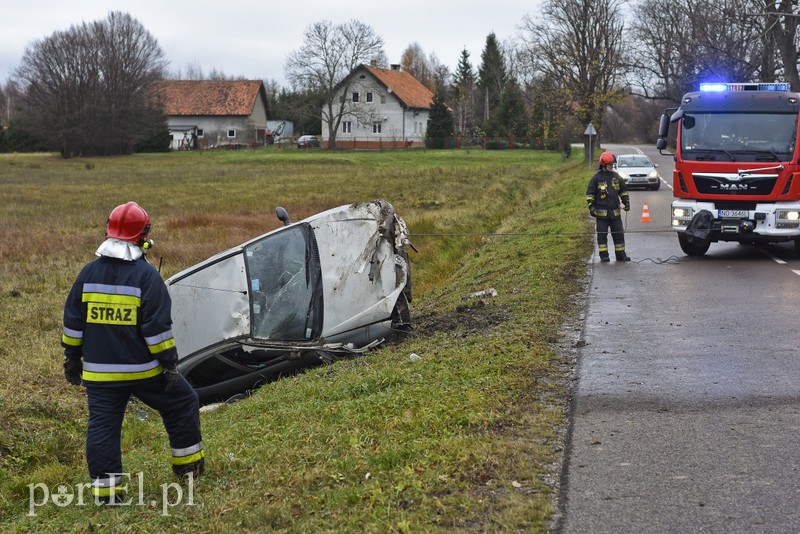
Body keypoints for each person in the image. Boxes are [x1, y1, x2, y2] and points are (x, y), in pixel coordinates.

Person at [61, 201, 204, 504]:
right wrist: (169, 365)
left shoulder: (87, 274)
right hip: (144, 370)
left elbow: (73, 323)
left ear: (108, 232)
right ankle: (189, 469)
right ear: (143, 236)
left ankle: (108, 495)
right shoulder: (147, 277)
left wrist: (72, 359)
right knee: (183, 401)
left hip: (99, 374)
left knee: (102, 428)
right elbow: (157, 331)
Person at [586, 151, 631, 262]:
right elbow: (590, 194)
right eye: (610, 164)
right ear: (604, 164)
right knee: (602, 236)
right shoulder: (596, 178)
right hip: (601, 215)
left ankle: (621, 255)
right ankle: (604, 256)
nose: (612, 166)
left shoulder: (616, 177)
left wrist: (626, 202)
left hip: (615, 214)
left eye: (612, 164)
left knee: (619, 235)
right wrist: (591, 207)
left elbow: (623, 191)